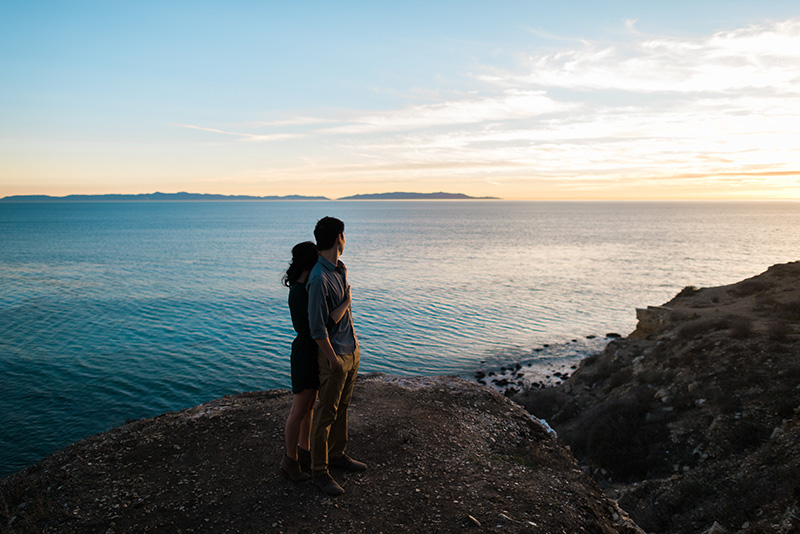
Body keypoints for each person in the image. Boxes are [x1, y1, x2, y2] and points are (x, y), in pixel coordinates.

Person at [280, 241, 351, 481]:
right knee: (299, 409)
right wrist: (345, 303)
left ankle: (305, 452)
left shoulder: (304, 287)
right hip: (305, 352)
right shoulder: (300, 292)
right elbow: (322, 324)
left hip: (311, 350)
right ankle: (290, 461)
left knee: (309, 407)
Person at [308, 216, 366, 496]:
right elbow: (317, 328)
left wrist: (353, 350)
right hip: (334, 356)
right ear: (338, 238)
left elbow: (339, 315)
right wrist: (332, 359)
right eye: (345, 235)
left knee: (342, 407)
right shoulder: (319, 278)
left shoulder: (339, 269)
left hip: (350, 350)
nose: (346, 239)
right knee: (325, 415)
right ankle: (319, 471)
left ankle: (337, 454)